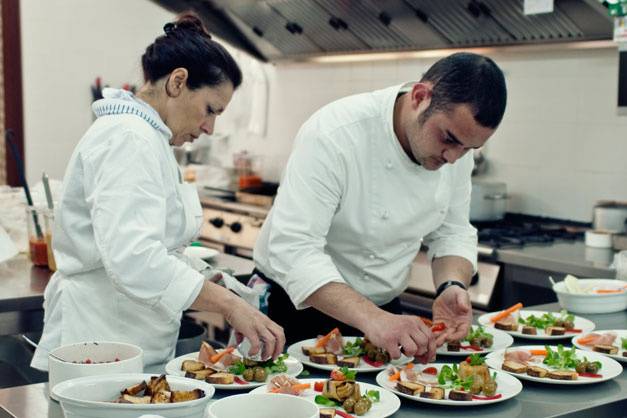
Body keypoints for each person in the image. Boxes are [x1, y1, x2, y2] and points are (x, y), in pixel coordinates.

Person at [31, 14, 284, 370]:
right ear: (178, 82)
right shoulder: (128, 138)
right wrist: (228, 306)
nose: (210, 127)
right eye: (210, 109)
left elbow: (155, 248)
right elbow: (134, 258)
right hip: (101, 348)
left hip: (124, 343)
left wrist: (217, 285)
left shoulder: (147, 138)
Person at [253, 52, 507, 363]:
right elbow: (294, 249)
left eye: (469, 149)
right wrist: (371, 318)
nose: (453, 158)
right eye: (449, 138)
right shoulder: (335, 133)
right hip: (294, 309)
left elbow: (452, 231)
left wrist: (451, 285)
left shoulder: (455, 151)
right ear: (420, 96)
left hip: (386, 317)